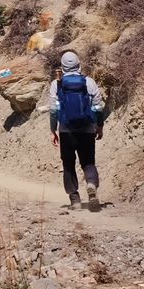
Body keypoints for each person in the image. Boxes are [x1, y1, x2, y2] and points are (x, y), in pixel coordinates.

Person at [48, 50, 105, 208]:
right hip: (87, 128)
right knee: (88, 162)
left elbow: (53, 110)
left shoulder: (56, 84)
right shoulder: (89, 82)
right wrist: (99, 126)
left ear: (62, 67)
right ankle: (92, 185)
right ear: (79, 64)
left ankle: (75, 200)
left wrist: (53, 129)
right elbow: (98, 107)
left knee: (68, 164)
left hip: (66, 130)